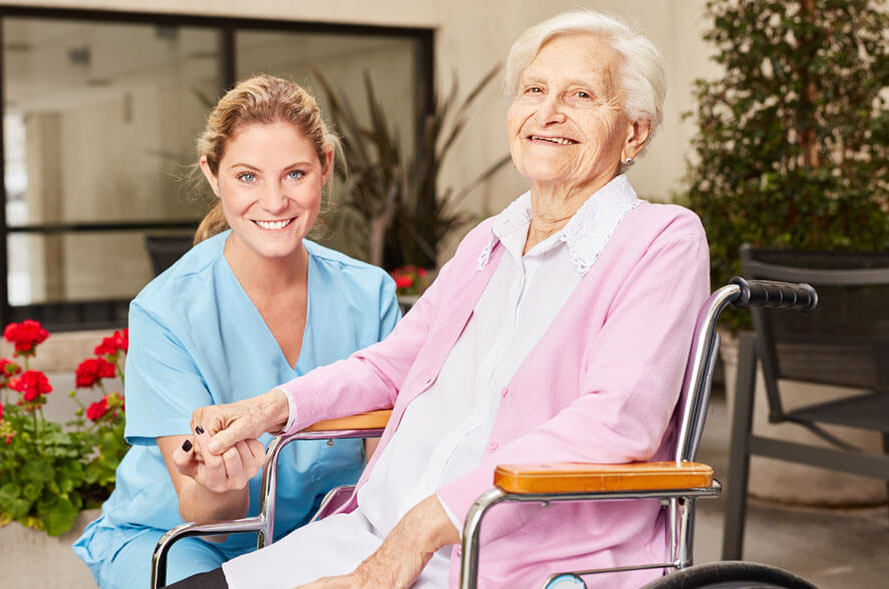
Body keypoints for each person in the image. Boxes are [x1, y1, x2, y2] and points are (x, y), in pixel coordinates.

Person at [173, 9, 710, 589]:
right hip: (371, 533)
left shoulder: (660, 239)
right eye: (534, 89)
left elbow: (616, 421)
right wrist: (269, 407)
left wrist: (424, 526)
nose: (547, 112)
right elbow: (392, 365)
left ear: (634, 132)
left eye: (580, 94)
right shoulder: (490, 242)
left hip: (503, 560)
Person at [72, 74, 401, 588]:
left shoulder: (370, 295)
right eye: (248, 176)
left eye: (295, 174)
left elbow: (386, 478)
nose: (273, 202)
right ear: (212, 174)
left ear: (326, 169)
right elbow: (208, 516)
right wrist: (221, 483)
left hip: (323, 539)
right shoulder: (165, 311)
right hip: (183, 538)